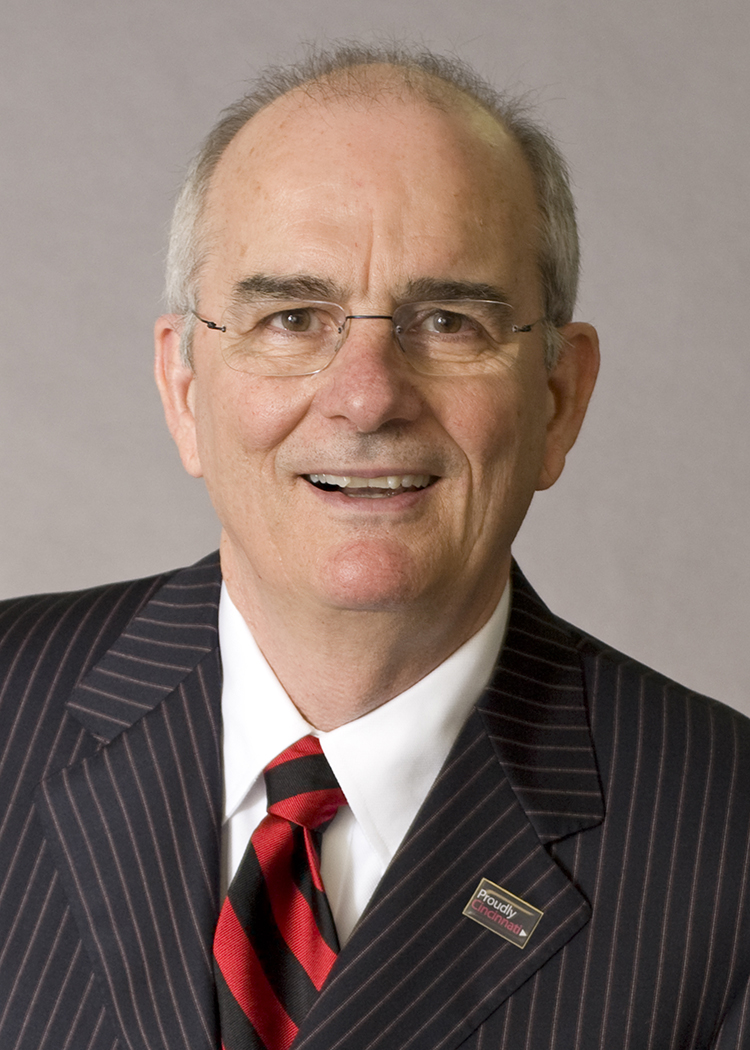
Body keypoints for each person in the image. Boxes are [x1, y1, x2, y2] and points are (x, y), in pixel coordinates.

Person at [1, 43, 749, 1050]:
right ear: (185, 390)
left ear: (559, 399)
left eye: (447, 321)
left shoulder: (727, 848)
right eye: (291, 318)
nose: (366, 396)